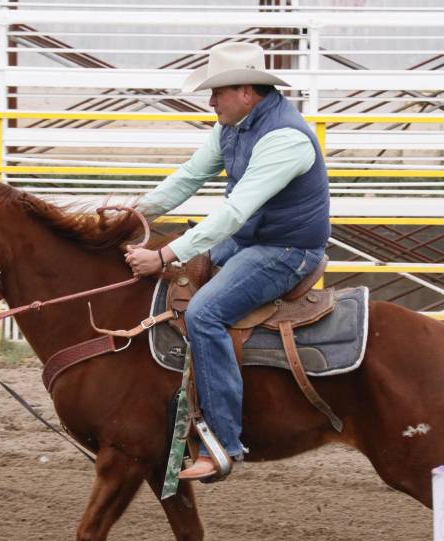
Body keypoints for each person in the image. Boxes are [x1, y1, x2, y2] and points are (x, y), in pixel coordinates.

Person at [125, 42, 330, 481]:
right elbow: (188, 178)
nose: (210, 101)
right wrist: (131, 216)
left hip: (286, 251)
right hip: (250, 240)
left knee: (204, 313)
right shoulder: (232, 126)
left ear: (245, 91)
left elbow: (234, 212)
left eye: (216, 92)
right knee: (174, 286)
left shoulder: (285, 139)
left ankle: (222, 441)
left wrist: (166, 253)